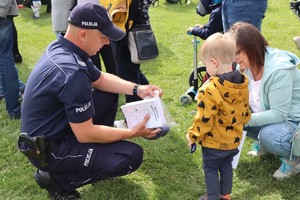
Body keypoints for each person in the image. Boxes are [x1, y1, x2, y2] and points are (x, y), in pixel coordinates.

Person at [18, 3, 164, 199]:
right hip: (49, 150)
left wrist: (138, 88)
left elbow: (101, 79)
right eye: (103, 36)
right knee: (130, 156)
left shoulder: (65, 47)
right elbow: (85, 133)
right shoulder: (73, 73)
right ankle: (57, 180)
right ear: (83, 34)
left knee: (108, 92)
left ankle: (94, 151)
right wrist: (132, 132)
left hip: (51, 132)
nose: (106, 42)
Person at [228, 22, 300, 180]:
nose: (234, 58)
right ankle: (266, 145)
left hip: (293, 120)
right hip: (275, 116)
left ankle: (294, 160)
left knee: (269, 135)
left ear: (251, 46)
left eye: (237, 52)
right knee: (233, 117)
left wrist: (240, 118)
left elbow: (279, 114)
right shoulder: (248, 64)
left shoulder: (279, 70)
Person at [186, 32, 251, 200]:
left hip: (214, 143)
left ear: (213, 62)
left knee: (211, 169)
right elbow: (245, 110)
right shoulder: (242, 82)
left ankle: (213, 197)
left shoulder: (210, 88)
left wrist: (193, 135)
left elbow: (204, 118)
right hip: (233, 140)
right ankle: (225, 195)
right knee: (227, 167)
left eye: (206, 64)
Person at [0, 0, 22, 119]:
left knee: (5, 61)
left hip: (3, 14)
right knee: (6, 61)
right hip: (3, 14)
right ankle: (14, 111)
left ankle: (14, 110)